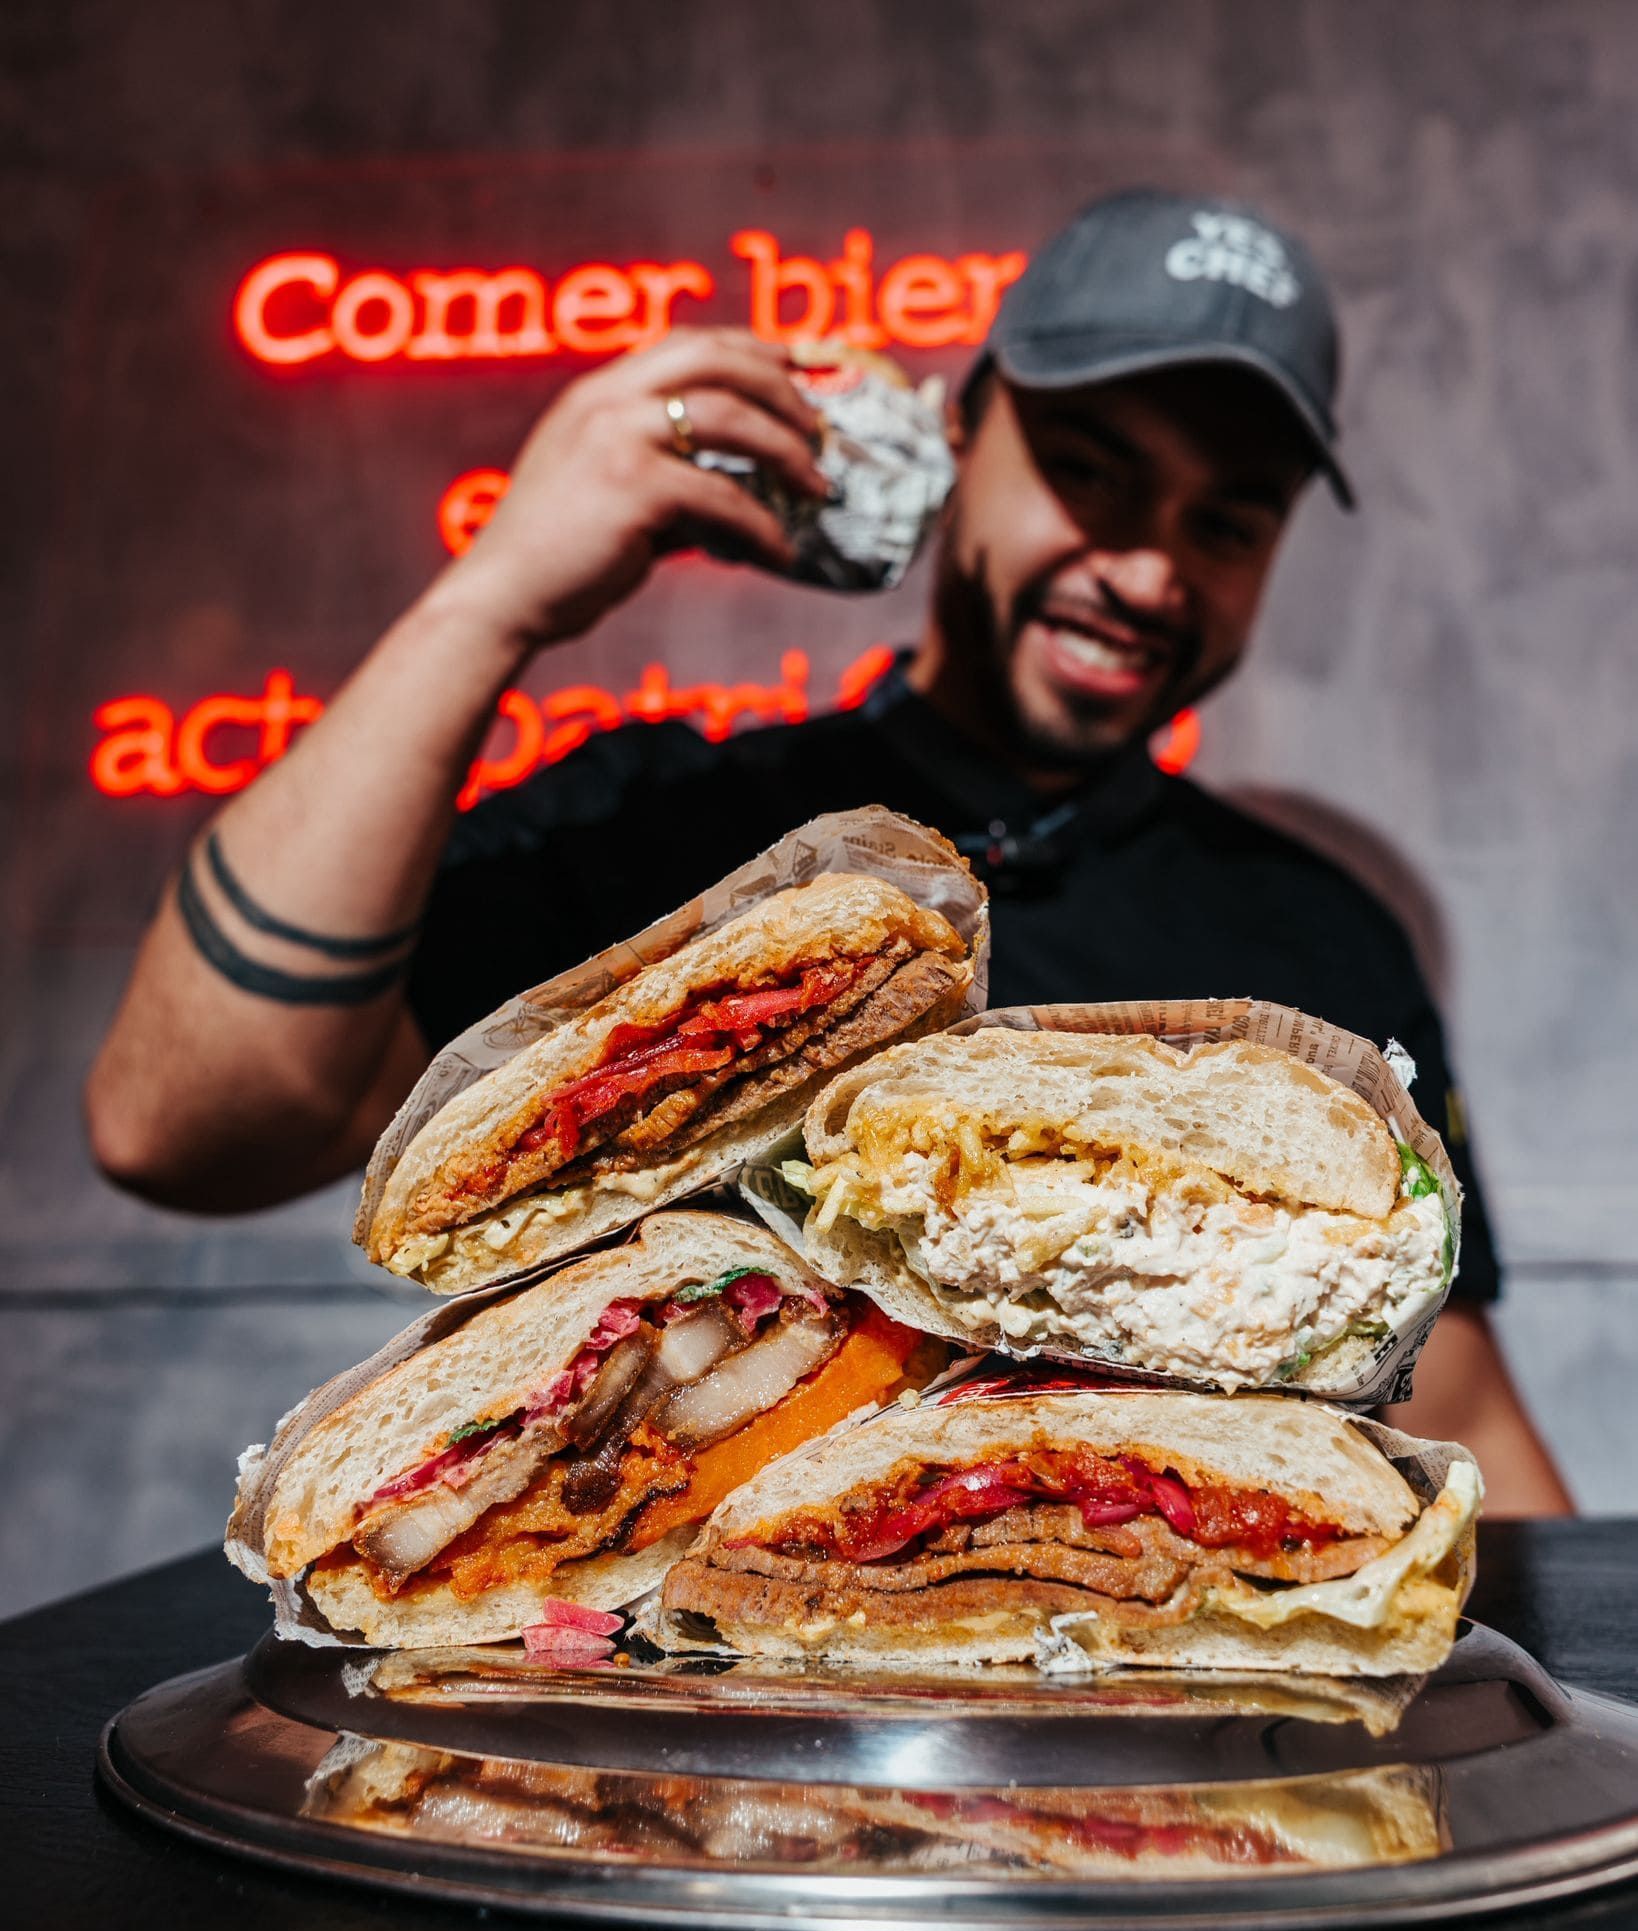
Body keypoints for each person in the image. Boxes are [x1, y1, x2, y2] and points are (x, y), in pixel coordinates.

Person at [85, 189, 1571, 1514]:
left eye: (1226, 521)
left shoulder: (1314, 934)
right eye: (1091, 470)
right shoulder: (666, 830)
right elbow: (185, 1129)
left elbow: (1454, 1406)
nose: (1142, 568)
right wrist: (498, 598)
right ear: (961, 430)